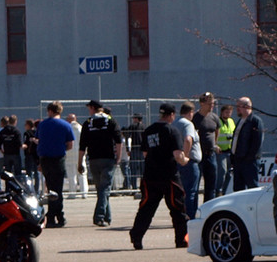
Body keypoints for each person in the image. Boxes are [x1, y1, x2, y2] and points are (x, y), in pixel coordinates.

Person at [129, 104, 187, 249]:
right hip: (169, 176)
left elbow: (145, 153)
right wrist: (186, 160)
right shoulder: (172, 130)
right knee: (177, 209)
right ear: (172, 114)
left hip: (150, 176)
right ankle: (181, 240)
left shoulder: (148, 131)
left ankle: (136, 236)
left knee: (146, 208)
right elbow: (178, 155)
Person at [78, 99, 122, 227]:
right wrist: (118, 157)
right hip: (108, 158)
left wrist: (79, 162)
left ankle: (106, 216)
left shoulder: (87, 123)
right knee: (104, 189)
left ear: (92, 108)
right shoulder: (111, 121)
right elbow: (119, 141)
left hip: (93, 159)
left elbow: (82, 146)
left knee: (101, 189)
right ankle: (101, 216)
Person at [35, 101, 75, 228]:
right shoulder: (66, 125)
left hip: (45, 159)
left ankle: (51, 216)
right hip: (58, 159)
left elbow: (39, 140)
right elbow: (70, 145)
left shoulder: (42, 125)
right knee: (58, 189)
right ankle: (59, 215)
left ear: (50, 111)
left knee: (50, 187)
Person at [174, 102, 200, 220]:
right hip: (189, 162)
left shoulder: (175, 123)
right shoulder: (188, 124)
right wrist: (186, 156)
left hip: (177, 161)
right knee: (191, 192)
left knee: (182, 191)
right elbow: (188, 139)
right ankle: (191, 216)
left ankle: (182, 215)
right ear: (190, 112)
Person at [231, 97, 263, 189]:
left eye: (239, 106)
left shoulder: (255, 121)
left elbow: (257, 142)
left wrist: (248, 158)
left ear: (247, 107)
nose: (237, 109)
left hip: (249, 162)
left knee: (252, 186)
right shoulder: (240, 121)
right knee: (238, 188)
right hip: (238, 160)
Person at [215, 103, 236, 195]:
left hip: (230, 151)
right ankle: (218, 190)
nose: (228, 114)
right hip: (220, 151)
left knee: (229, 173)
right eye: (226, 112)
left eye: (230, 112)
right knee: (222, 171)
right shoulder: (218, 121)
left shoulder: (231, 121)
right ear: (222, 112)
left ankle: (224, 191)